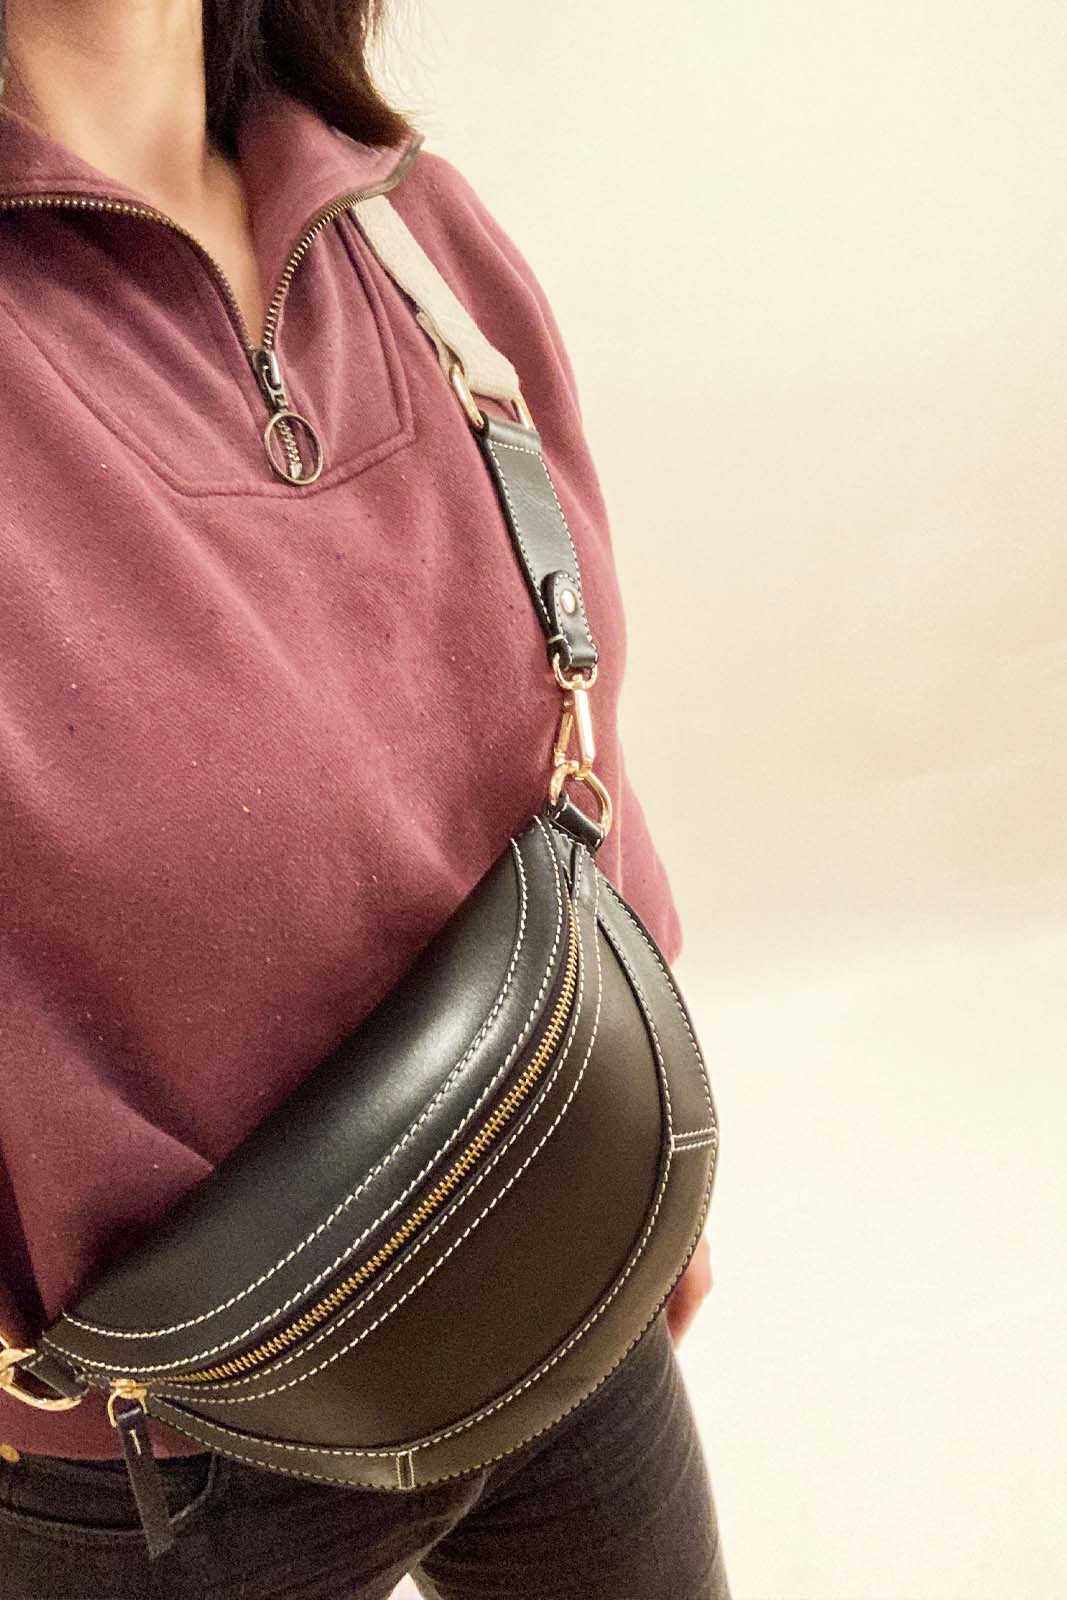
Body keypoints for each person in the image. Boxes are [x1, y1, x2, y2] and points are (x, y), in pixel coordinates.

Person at [0, 2, 728, 1594]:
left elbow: (580, 711)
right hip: (165, 1439)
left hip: (553, 1237)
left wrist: (654, 1153)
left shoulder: (410, 229)